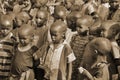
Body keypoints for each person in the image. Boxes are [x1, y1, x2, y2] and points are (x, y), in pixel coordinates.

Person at [70, 15, 94, 80]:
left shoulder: (90, 39)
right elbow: (70, 48)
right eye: (76, 26)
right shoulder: (74, 37)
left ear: (88, 28)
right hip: (73, 61)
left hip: (83, 63)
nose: (77, 29)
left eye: (80, 27)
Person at [0, 14, 15, 80]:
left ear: (11, 27)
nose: (5, 31)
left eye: (7, 29)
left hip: (6, 69)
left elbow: (14, 57)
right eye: (3, 28)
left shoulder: (13, 41)